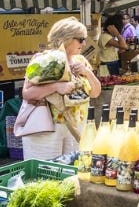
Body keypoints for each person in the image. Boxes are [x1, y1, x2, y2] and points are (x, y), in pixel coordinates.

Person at [22, 17, 101, 160]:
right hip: (48, 126)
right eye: (81, 39)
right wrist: (55, 86)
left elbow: (95, 92)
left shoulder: (81, 61)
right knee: (47, 172)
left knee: (73, 172)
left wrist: (87, 72)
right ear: (67, 38)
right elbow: (27, 94)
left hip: (76, 126)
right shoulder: (43, 59)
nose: (84, 44)